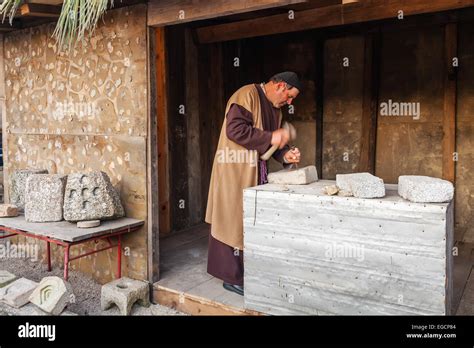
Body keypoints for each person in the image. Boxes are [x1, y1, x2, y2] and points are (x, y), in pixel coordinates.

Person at [205, 71, 302, 296]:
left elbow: (269, 146)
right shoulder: (246, 95)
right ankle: (232, 277)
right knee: (231, 219)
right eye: (289, 97)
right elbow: (235, 130)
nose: (289, 102)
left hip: (256, 171)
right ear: (279, 86)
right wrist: (272, 138)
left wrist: (285, 155)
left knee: (250, 221)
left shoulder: (276, 110)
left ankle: (250, 272)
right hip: (234, 169)